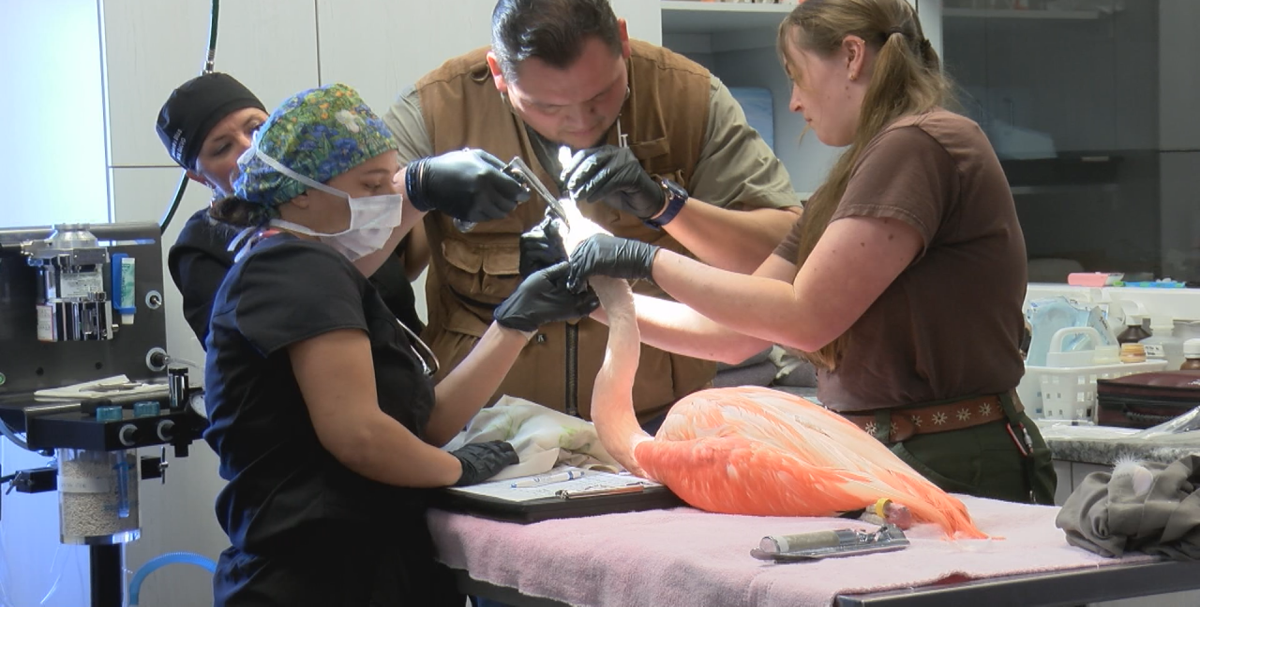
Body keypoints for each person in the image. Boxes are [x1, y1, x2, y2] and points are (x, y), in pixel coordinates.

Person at [565, 0, 1055, 505]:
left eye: (797, 76)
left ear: (851, 56)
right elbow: (733, 337)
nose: (794, 101)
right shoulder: (854, 176)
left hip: (949, 456)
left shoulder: (919, 144)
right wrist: (597, 300)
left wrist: (643, 259)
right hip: (888, 453)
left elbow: (805, 317)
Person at [200, 82, 598, 606]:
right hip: (315, 580)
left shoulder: (319, 274)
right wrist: (459, 470)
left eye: (391, 180)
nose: (390, 199)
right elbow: (360, 435)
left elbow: (424, 425)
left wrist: (516, 322)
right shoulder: (293, 269)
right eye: (370, 186)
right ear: (300, 193)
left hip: (373, 567)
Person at [383, 0, 804, 431]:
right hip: (482, 429)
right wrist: (413, 189)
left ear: (622, 41)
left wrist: (666, 206)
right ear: (498, 74)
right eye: (547, 107)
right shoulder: (437, 108)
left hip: (656, 426)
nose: (581, 123)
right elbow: (337, 251)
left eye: (601, 95)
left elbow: (783, 259)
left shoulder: (689, 97)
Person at [156, 72, 529, 347]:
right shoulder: (213, 249)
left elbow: (382, 259)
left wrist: (428, 191)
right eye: (222, 148)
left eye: (256, 128)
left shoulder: (334, 216)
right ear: (196, 175)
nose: (248, 147)